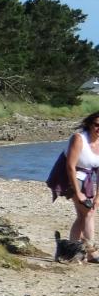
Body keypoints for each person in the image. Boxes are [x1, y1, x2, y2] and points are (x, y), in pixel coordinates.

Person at [51, 111, 99, 259]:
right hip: (71, 178)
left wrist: (97, 197)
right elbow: (70, 166)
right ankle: (92, 253)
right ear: (90, 124)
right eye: (97, 125)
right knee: (89, 213)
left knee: (82, 215)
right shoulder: (79, 138)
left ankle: (70, 250)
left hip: (88, 179)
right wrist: (77, 192)